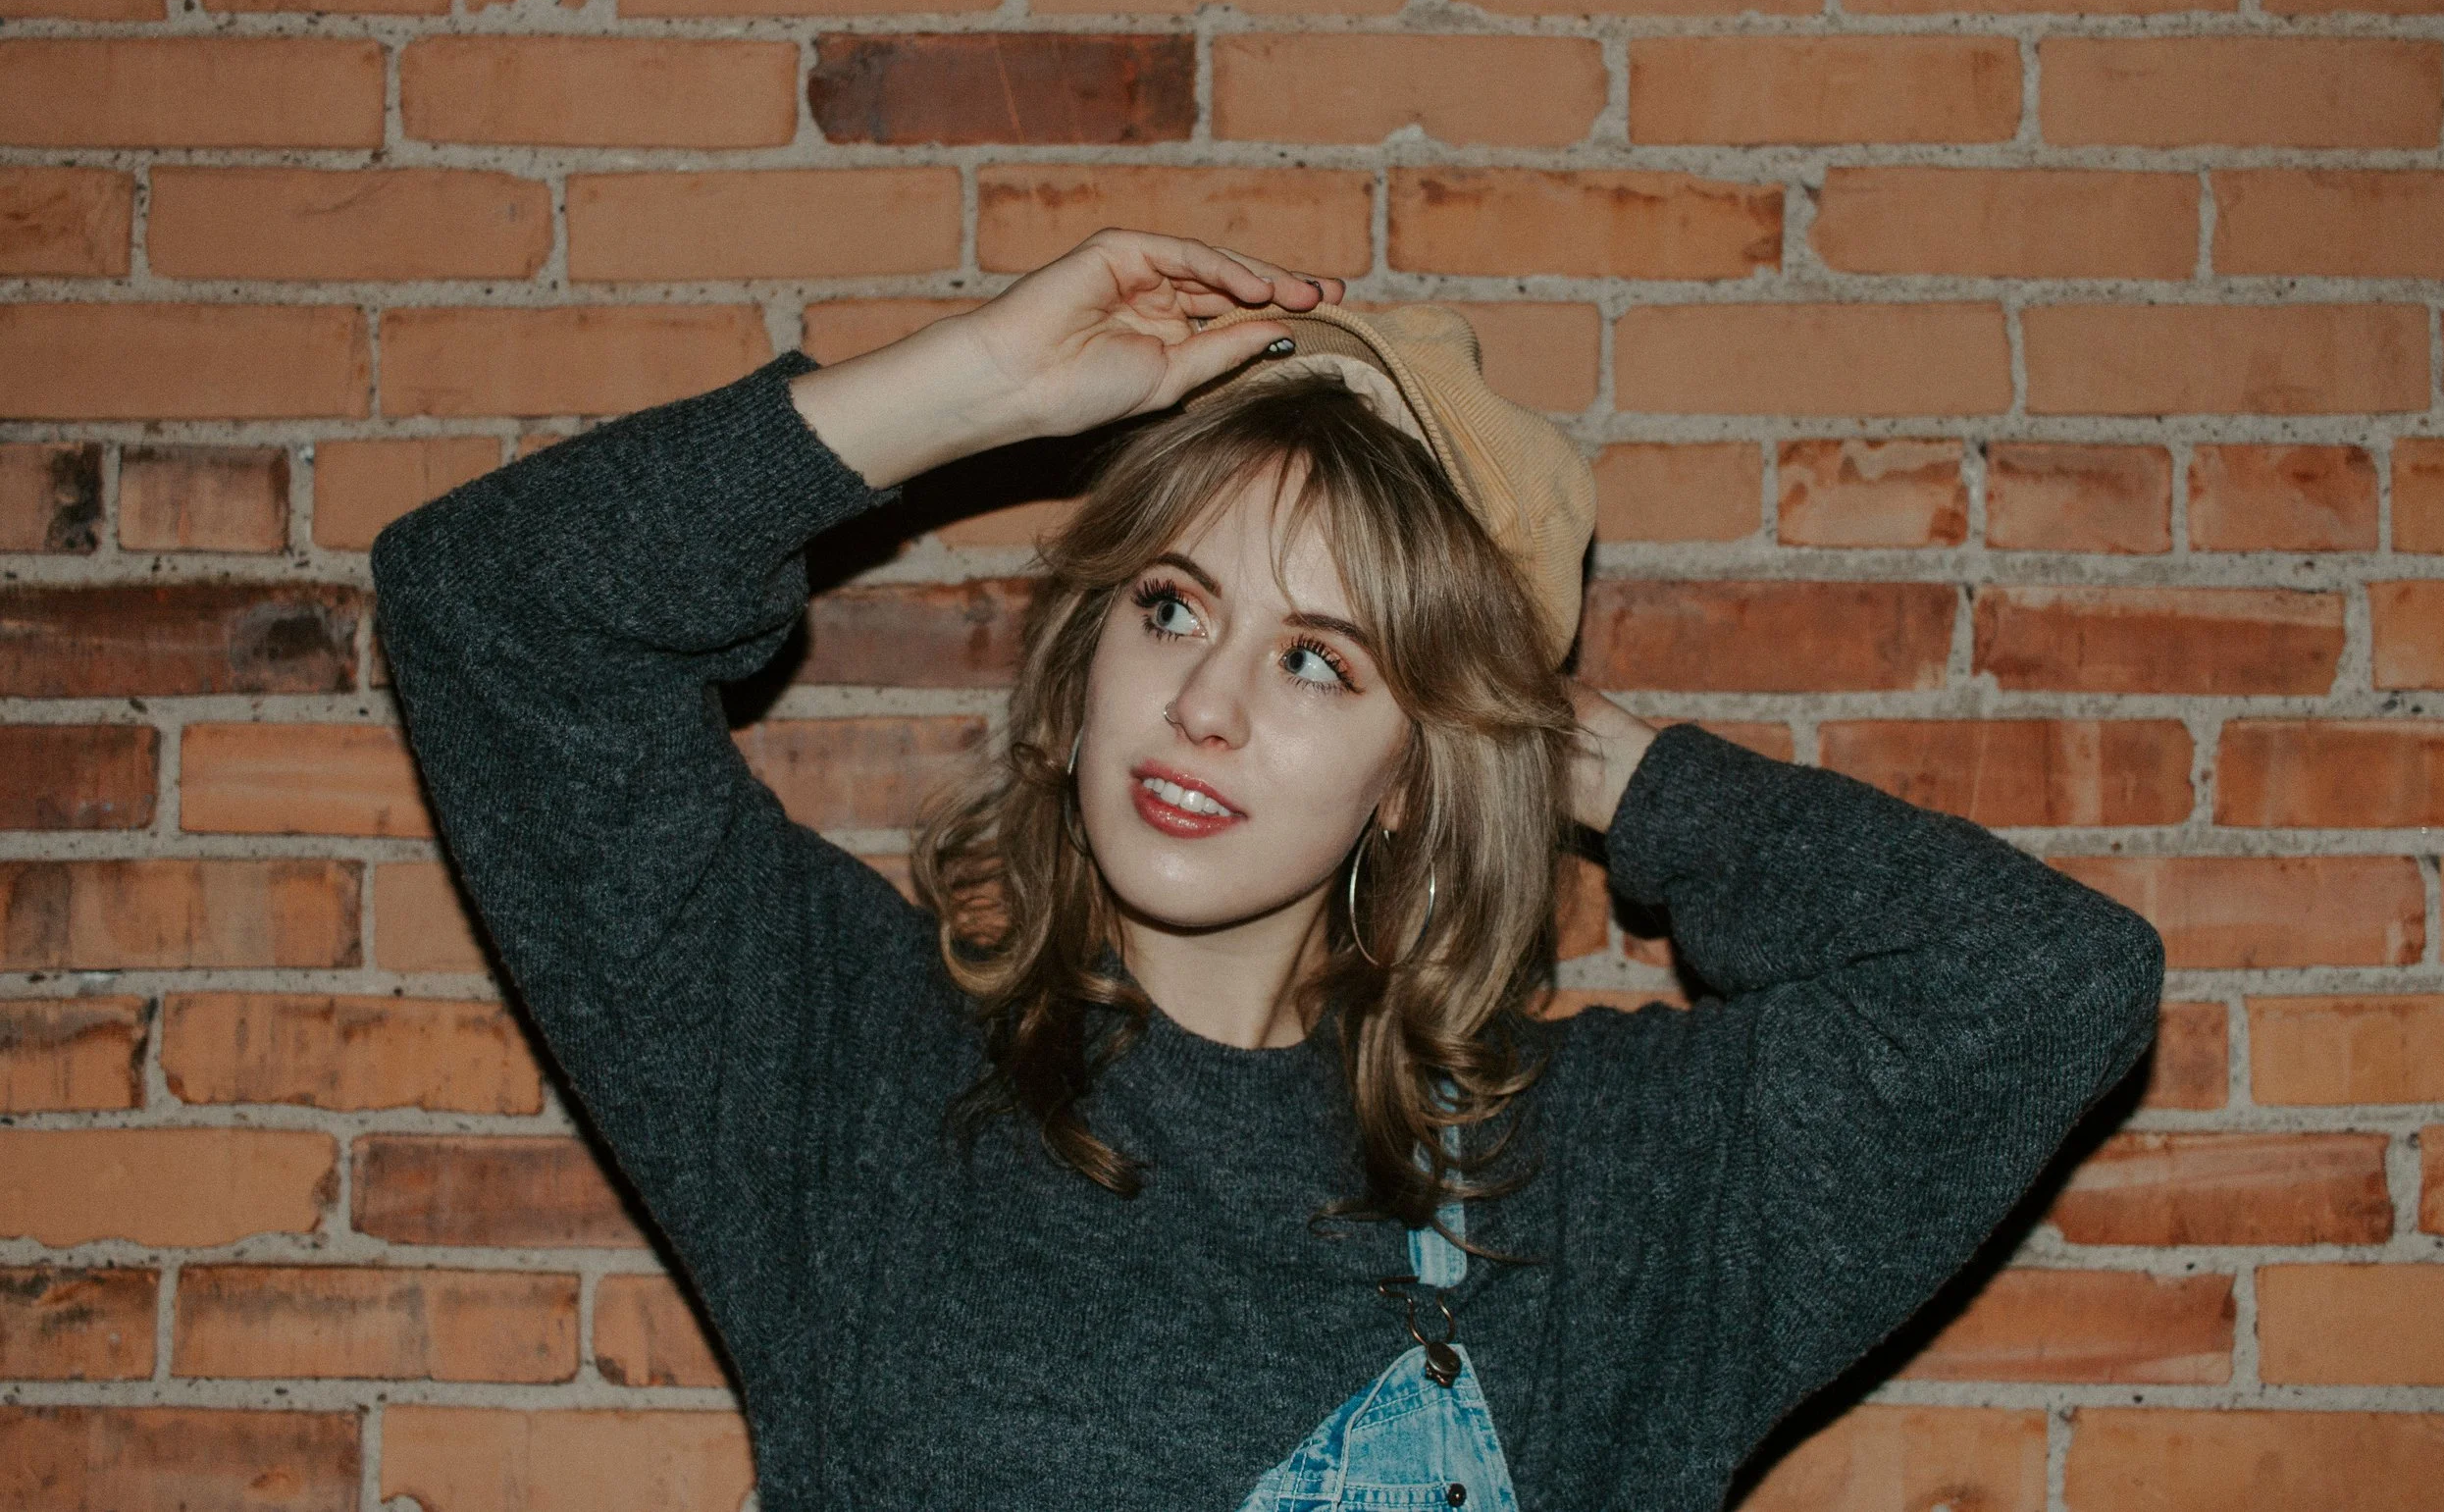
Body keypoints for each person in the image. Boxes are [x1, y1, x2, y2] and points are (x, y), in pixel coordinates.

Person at [373, 228, 2163, 1512]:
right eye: (1174, 609)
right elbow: (498, 611)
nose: (1210, 704)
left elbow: (2041, 980)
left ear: (1413, 775)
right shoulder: (849, 1069)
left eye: (1322, 659)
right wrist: (978, 385)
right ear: (1084, 672)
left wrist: (1583, 755)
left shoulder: (1601, 1192)